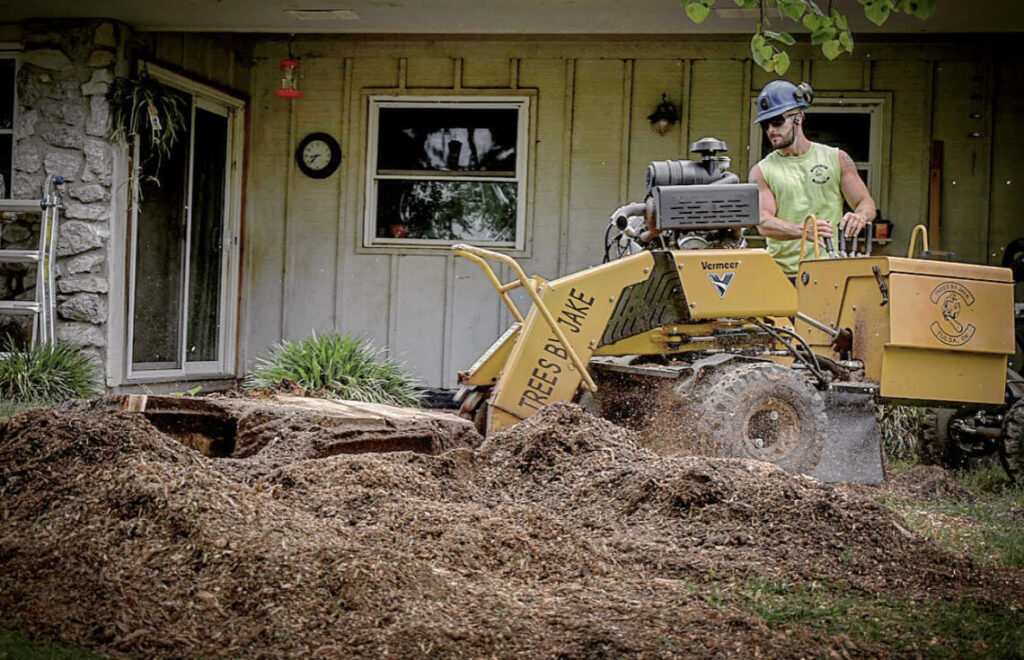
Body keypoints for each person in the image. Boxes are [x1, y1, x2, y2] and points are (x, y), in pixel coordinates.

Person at [748, 80, 877, 278]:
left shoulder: (837, 158)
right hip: (782, 274)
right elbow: (763, 221)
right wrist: (802, 231)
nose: (771, 130)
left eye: (777, 121)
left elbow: (865, 203)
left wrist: (860, 216)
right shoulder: (762, 170)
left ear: (798, 118)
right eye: (765, 125)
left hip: (828, 269)